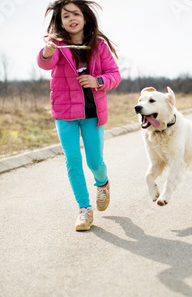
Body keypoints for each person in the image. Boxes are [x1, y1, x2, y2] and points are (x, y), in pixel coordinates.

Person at [37, 0, 121, 231]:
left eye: (76, 14)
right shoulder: (57, 46)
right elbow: (45, 63)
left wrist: (98, 81)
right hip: (64, 113)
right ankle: (84, 209)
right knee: (73, 161)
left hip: (93, 113)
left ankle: (102, 183)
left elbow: (114, 75)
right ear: (60, 21)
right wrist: (47, 51)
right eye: (66, 16)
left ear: (85, 17)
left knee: (94, 162)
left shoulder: (99, 46)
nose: (71, 18)